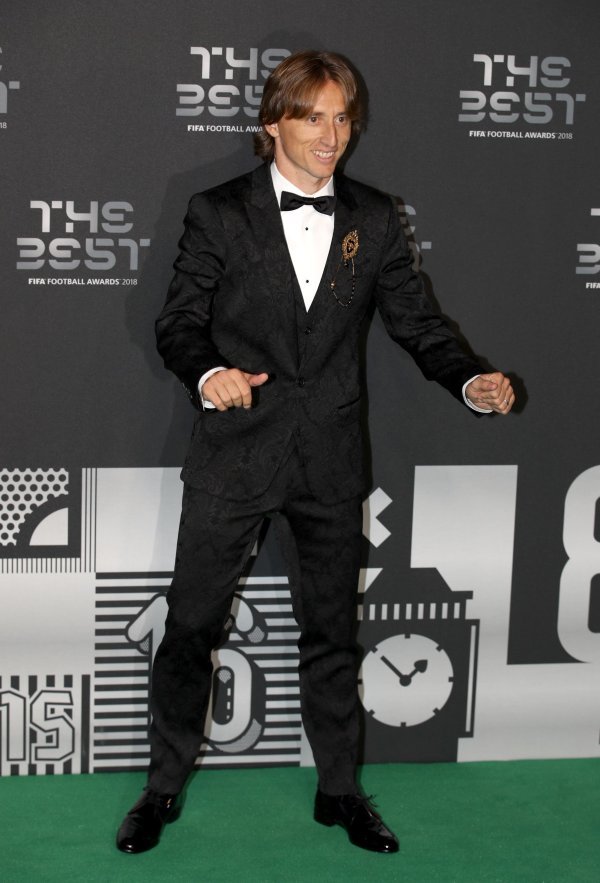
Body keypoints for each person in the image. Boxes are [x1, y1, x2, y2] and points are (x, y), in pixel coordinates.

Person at [116, 49, 514, 856]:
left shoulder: (375, 216)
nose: (332, 136)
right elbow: (177, 323)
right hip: (233, 454)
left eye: (343, 119)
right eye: (313, 117)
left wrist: (469, 379)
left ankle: (340, 790)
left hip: (330, 460)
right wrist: (211, 374)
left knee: (331, 633)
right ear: (273, 123)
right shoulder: (216, 212)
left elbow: (418, 323)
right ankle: (160, 788)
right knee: (190, 627)